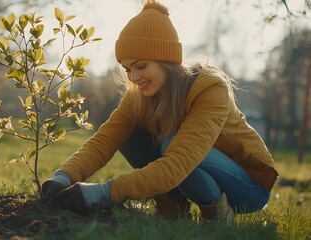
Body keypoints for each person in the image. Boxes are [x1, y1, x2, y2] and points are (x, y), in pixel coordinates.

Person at [42, 0, 278, 222]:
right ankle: (172, 207)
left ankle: (217, 214)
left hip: (248, 186)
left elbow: (178, 163)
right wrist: (64, 176)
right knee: (128, 134)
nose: (134, 78)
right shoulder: (140, 95)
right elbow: (105, 139)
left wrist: (105, 193)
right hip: (191, 165)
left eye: (141, 66)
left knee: (172, 144)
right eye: (127, 69)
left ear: (166, 60)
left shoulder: (210, 88)